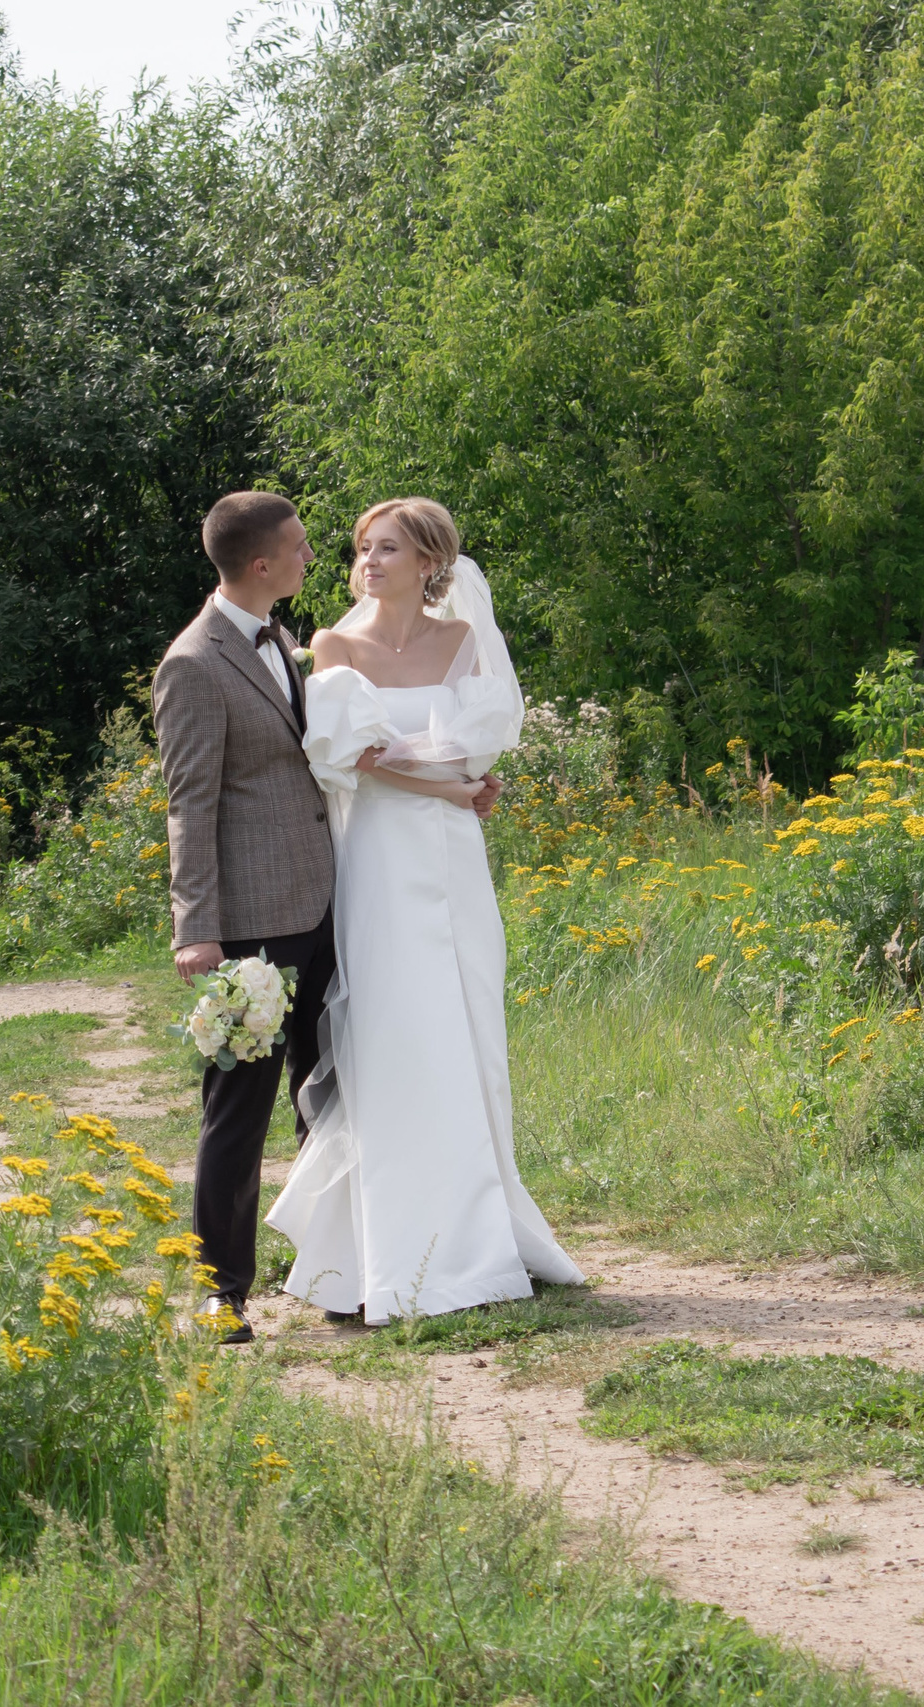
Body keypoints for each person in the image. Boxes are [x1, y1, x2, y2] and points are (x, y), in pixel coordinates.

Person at [152, 491, 499, 1345]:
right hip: (244, 921)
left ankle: (340, 1268)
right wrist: (195, 925)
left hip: (326, 900)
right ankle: (221, 1291)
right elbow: (189, 804)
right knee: (237, 1105)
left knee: (330, 1089)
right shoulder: (193, 662)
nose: (321, 559)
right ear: (263, 563)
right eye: (304, 548)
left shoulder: (280, 641)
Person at [267, 497, 582, 1324]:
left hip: (452, 859)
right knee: (392, 1030)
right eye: (363, 548)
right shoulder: (333, 645)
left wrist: (472, 783)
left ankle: (482, 1231)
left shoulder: (463, 641)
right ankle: (382, 1248)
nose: (368, 561)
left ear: (429, 563)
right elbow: (358, 760)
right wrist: (452, 784)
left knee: (464, 1026)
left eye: (388, 549)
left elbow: (475, 746)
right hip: (378, 857)